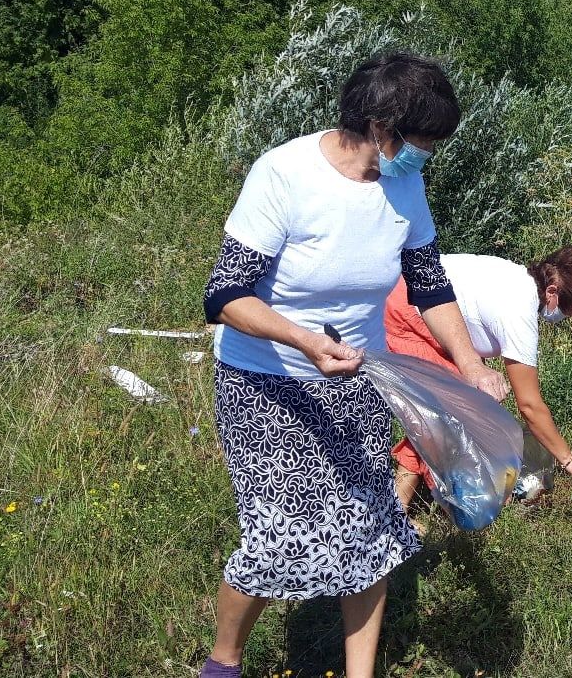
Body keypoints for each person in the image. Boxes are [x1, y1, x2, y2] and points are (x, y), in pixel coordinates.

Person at [199, 53, 505, 678]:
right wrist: (306, 341)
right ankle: (223, 662)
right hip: (268, 384)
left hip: (357, 381)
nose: (425, 155)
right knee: (276, 537)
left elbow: (429, 282)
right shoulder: (285, 174)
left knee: (369, 530)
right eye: (420, 142)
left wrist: (470, 364)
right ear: (380, 124)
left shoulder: (404, 186)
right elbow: (225, 295)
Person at [386, 248, 572, 524]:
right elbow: (529, 405)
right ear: (552, 291)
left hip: (415, 300)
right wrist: (569, 459)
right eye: (571, 306)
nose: (569, 315)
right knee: (446, 419)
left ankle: (399, 508)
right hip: (409, 312)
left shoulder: (518, 282)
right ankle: (441, 511)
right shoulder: (517, 309)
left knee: (438, 418)